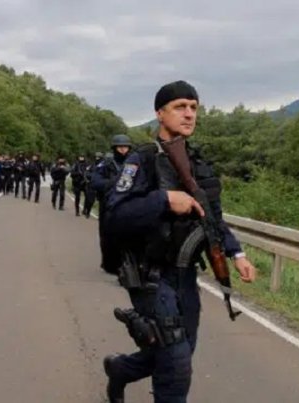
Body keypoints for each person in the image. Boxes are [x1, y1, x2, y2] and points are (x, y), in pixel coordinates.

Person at [101, 81, 258, 403]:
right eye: (179, 107)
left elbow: (213, 218)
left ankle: (121, 370)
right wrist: (163, 200)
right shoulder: (140, 162)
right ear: (160, 113)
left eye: (194, 107)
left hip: (185, 274)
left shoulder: (198, 165)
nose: (189, 114)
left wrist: (236, 253)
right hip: (149, 274)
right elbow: (114, 214)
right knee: (175, 359)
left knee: (179, 350)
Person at [91, 134, 132, 274]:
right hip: (108, 203)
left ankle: (128, 263)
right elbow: (95, 181)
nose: (123, 150)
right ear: (115, 148)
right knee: (107, 234)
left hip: (128, 202)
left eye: (125, 147)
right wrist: (111, 184)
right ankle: (109, 262)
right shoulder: (106, 164)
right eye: (120, 147)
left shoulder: (133, 164)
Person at [83, 151, 104, 218]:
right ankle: (87, 211)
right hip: (91, 184)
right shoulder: (92, 165)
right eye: (96, 157)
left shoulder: (104, 166)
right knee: (90, 200)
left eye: (99, 157)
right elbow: (86, 173)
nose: (97, 158)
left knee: (101, 201)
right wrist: (88, 179)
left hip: (100, 186)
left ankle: (100, 214)